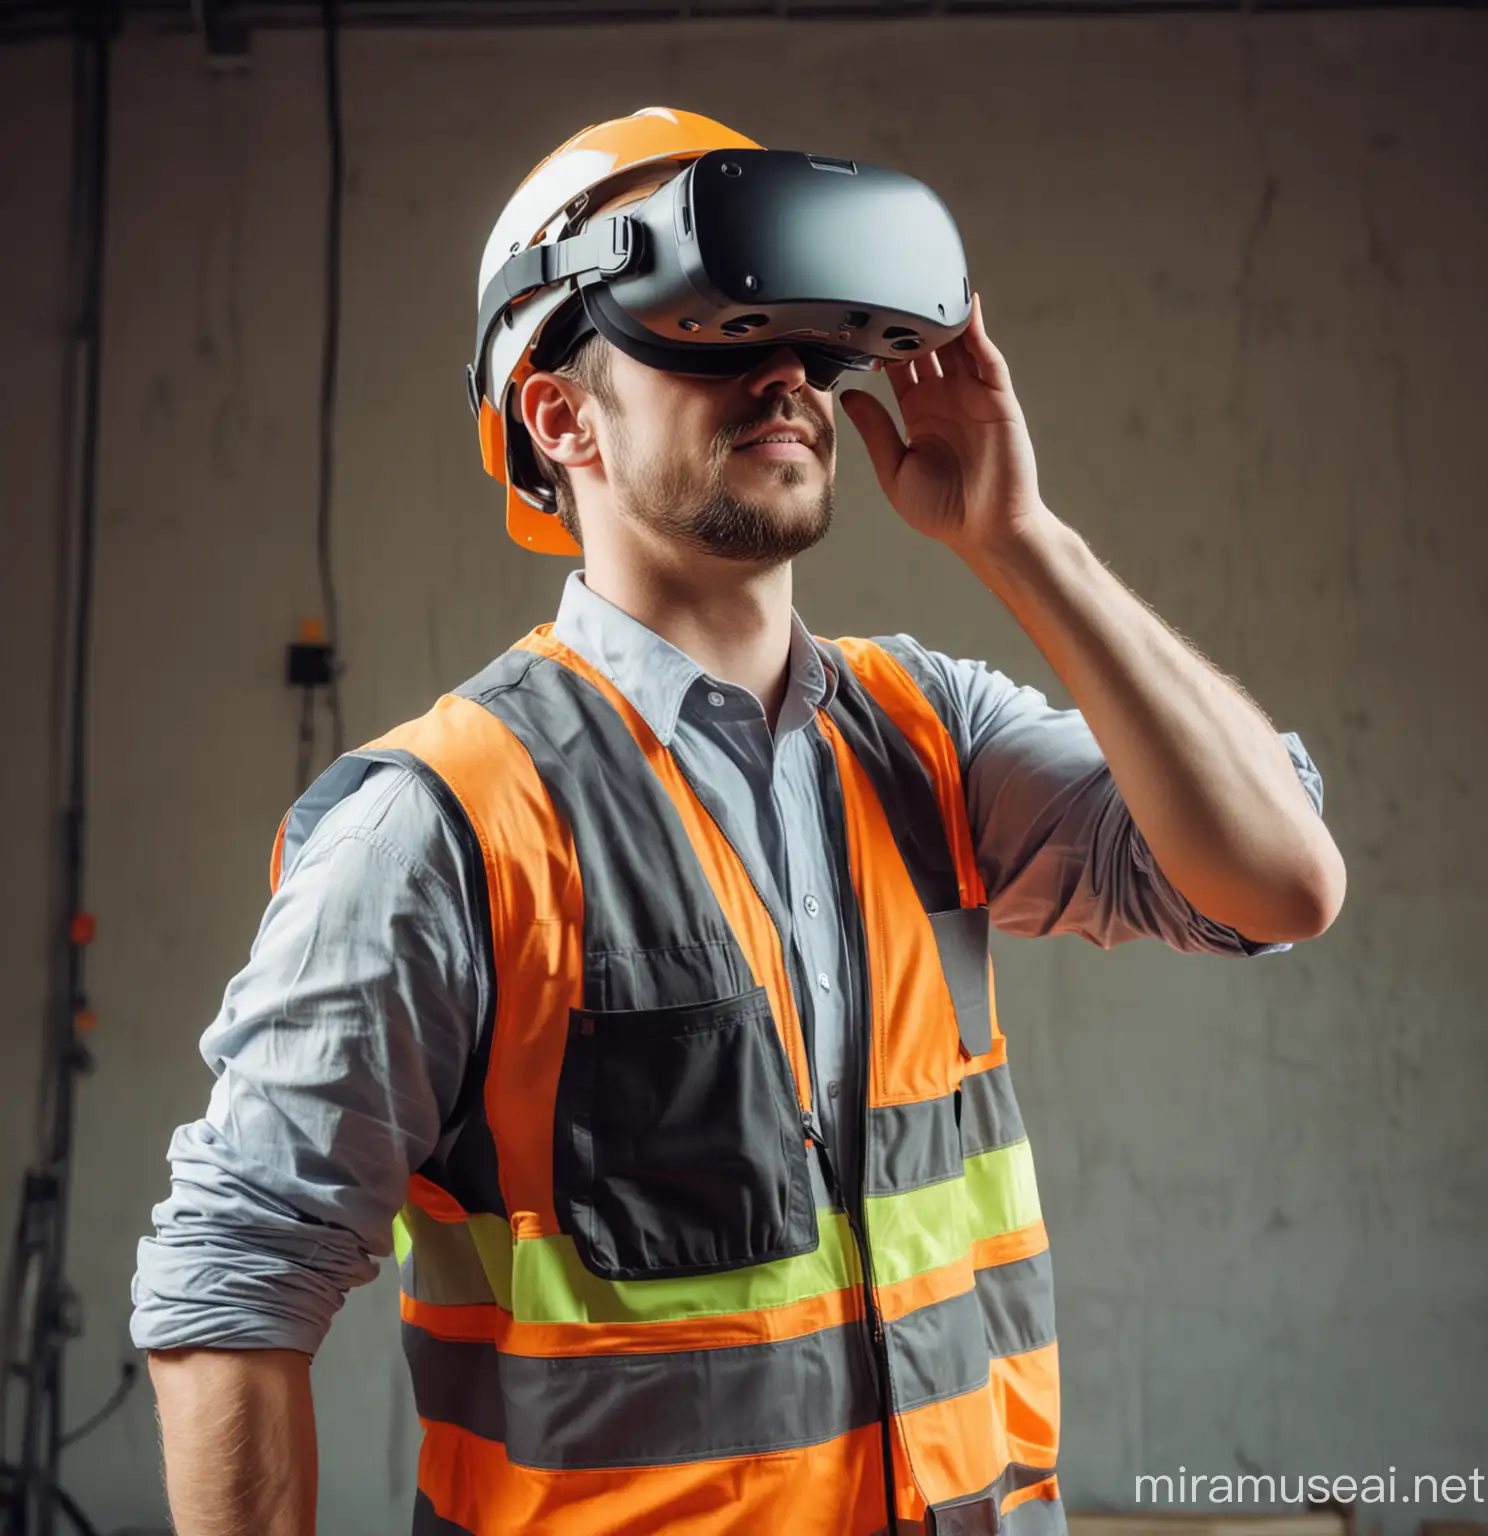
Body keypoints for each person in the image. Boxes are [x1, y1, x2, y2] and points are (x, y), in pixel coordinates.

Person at [131, 109, 1344, 1536]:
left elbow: (1280, 883)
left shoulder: (928, 738)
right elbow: (234, 1276)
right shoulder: (442, 827)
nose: (781, 374)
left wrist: (1023, 539)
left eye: (800, 341)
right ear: (561, 416)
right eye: (703, 329)